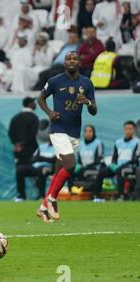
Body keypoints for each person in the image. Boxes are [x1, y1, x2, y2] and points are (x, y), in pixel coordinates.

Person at [37, 51, 97, 222]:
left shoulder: (86, 83)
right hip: (58, 129)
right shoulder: (55, 81)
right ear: (64, 63)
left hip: (74, 132)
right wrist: (49, 113)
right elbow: (40, 98)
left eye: (75, 59)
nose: (72, 61)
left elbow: (94, 110)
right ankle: (52, 199)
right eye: (68, 59)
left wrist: (88, 102)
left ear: (80, 62)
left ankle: (43, 207)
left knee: (59, 171)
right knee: (71, 165)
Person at [93, 121, 140, 201]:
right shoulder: (118, 142)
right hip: (118, 166)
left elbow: (134, 159)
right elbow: (114, 157)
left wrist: (120, 166)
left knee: (120, 170)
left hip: (131, 166)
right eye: (126, 129)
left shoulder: (137, 142)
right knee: (101, 172)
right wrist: (114, 164)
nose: (128, 131)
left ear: (134, 130)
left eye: (130, 129)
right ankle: (96, 196)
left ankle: (120, 195)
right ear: (123, 130)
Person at [9, 97, 40, 200]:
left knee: (19, 173)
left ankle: (21, 196)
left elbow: (11, 133)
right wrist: (24, 144)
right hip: (31, 151)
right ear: (30, 104)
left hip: (19, 152)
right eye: (34, 103)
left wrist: (17, 144)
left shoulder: (15, 118)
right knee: (38, 172)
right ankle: (40, 195)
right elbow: (33, 134)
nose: (35, 105)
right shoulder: (34, 118)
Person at [69, 124, 104, 196]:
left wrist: (85, 167)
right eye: (86, 131)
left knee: (83, 171)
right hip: (83, 168)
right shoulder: (80, 144)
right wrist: (77, 166)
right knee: (69, 171)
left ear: (93, 132)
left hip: (94, 167)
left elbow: (99, 160)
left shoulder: (98, 143)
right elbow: (79, 160)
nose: (88, 133)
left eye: (90, 131)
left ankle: (87, 192)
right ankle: (72, 192)